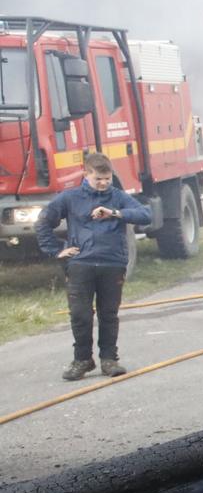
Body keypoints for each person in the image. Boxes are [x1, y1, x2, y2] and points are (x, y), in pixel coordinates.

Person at [36, 151, 152, 380]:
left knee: (108, 314)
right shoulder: (70, 197)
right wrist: (56, 250)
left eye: (107, 178)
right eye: (98, 178)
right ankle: (82, 360)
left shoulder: (118, 197)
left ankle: (109, 360)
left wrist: (115, 213)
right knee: (80, 314)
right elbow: (43, 221)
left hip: (113, 263)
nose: (103, 183)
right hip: (81, 263)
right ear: (86, 174)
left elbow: (145, 214)